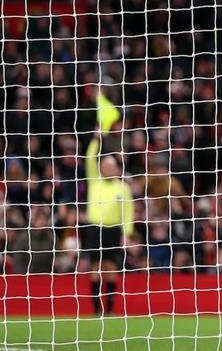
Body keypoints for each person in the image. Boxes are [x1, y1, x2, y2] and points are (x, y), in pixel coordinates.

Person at [83, 91, 134, 315]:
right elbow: (89, 158)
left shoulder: (123, 188)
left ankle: (111, 309)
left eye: (112, 165)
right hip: (95, 228)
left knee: (111, 268)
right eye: (105, 165)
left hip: (113, 230)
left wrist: (127, 234)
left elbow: (128, 212)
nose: (108, 168)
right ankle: (97, 310)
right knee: (95, 267)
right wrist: (97, 139)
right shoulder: (95, 181)